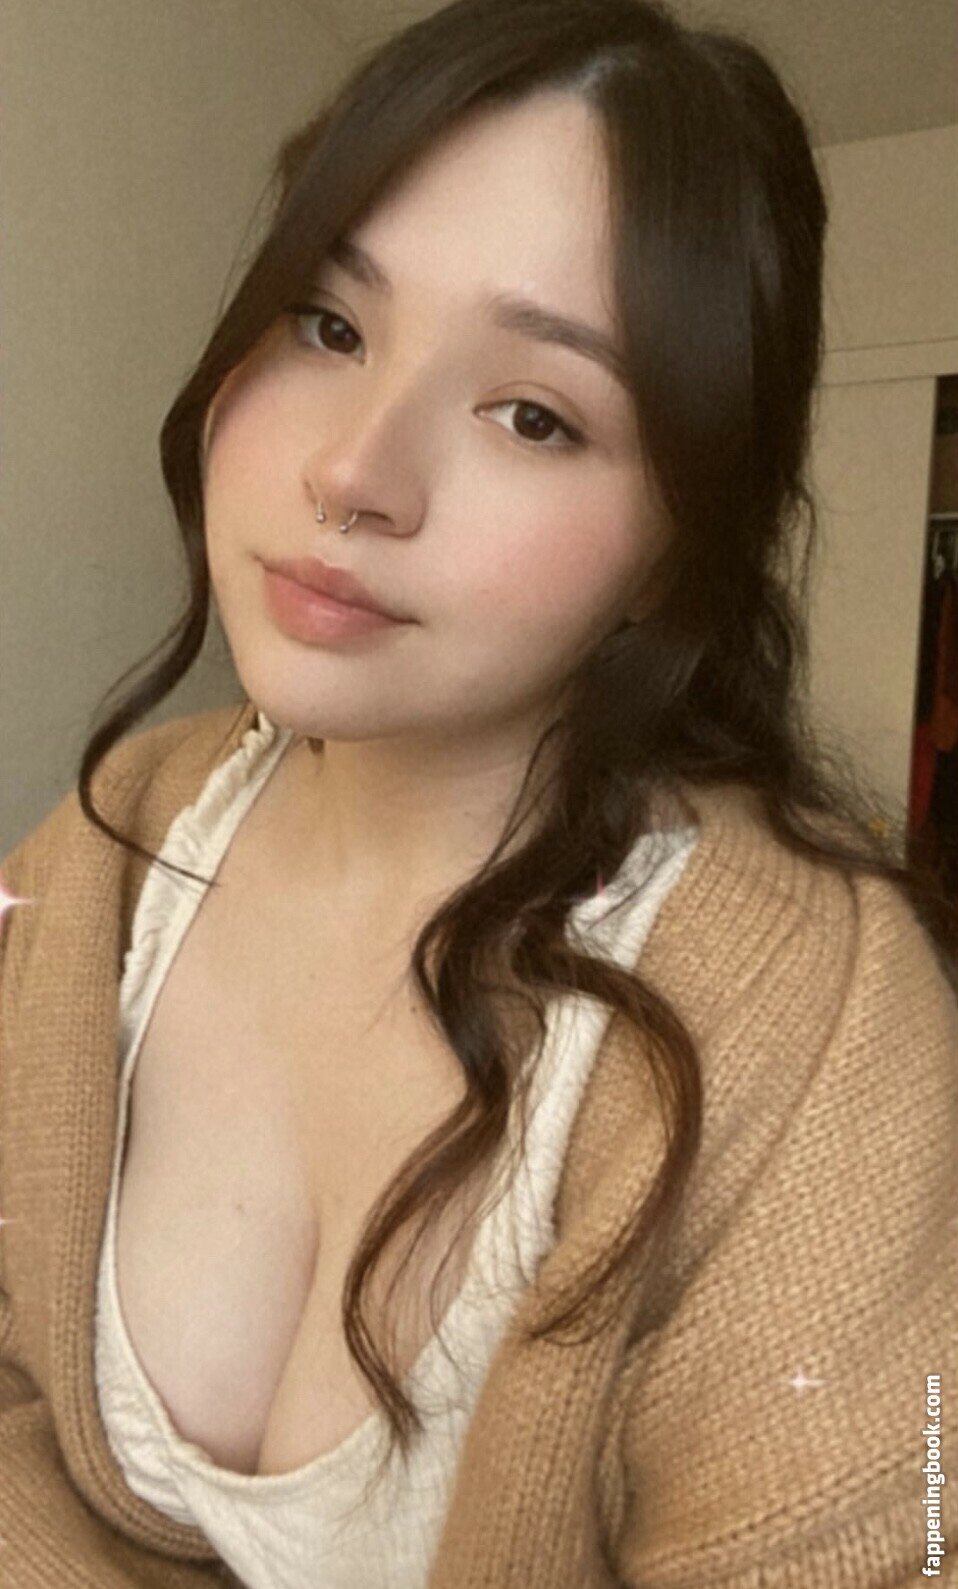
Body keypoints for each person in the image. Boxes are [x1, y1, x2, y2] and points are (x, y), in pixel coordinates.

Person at [1, 0, 955, 1584]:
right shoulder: (110, 845)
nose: (353, 472)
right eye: (327, 324)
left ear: (680, 545)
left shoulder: (818, 1025)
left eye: (533, 414)